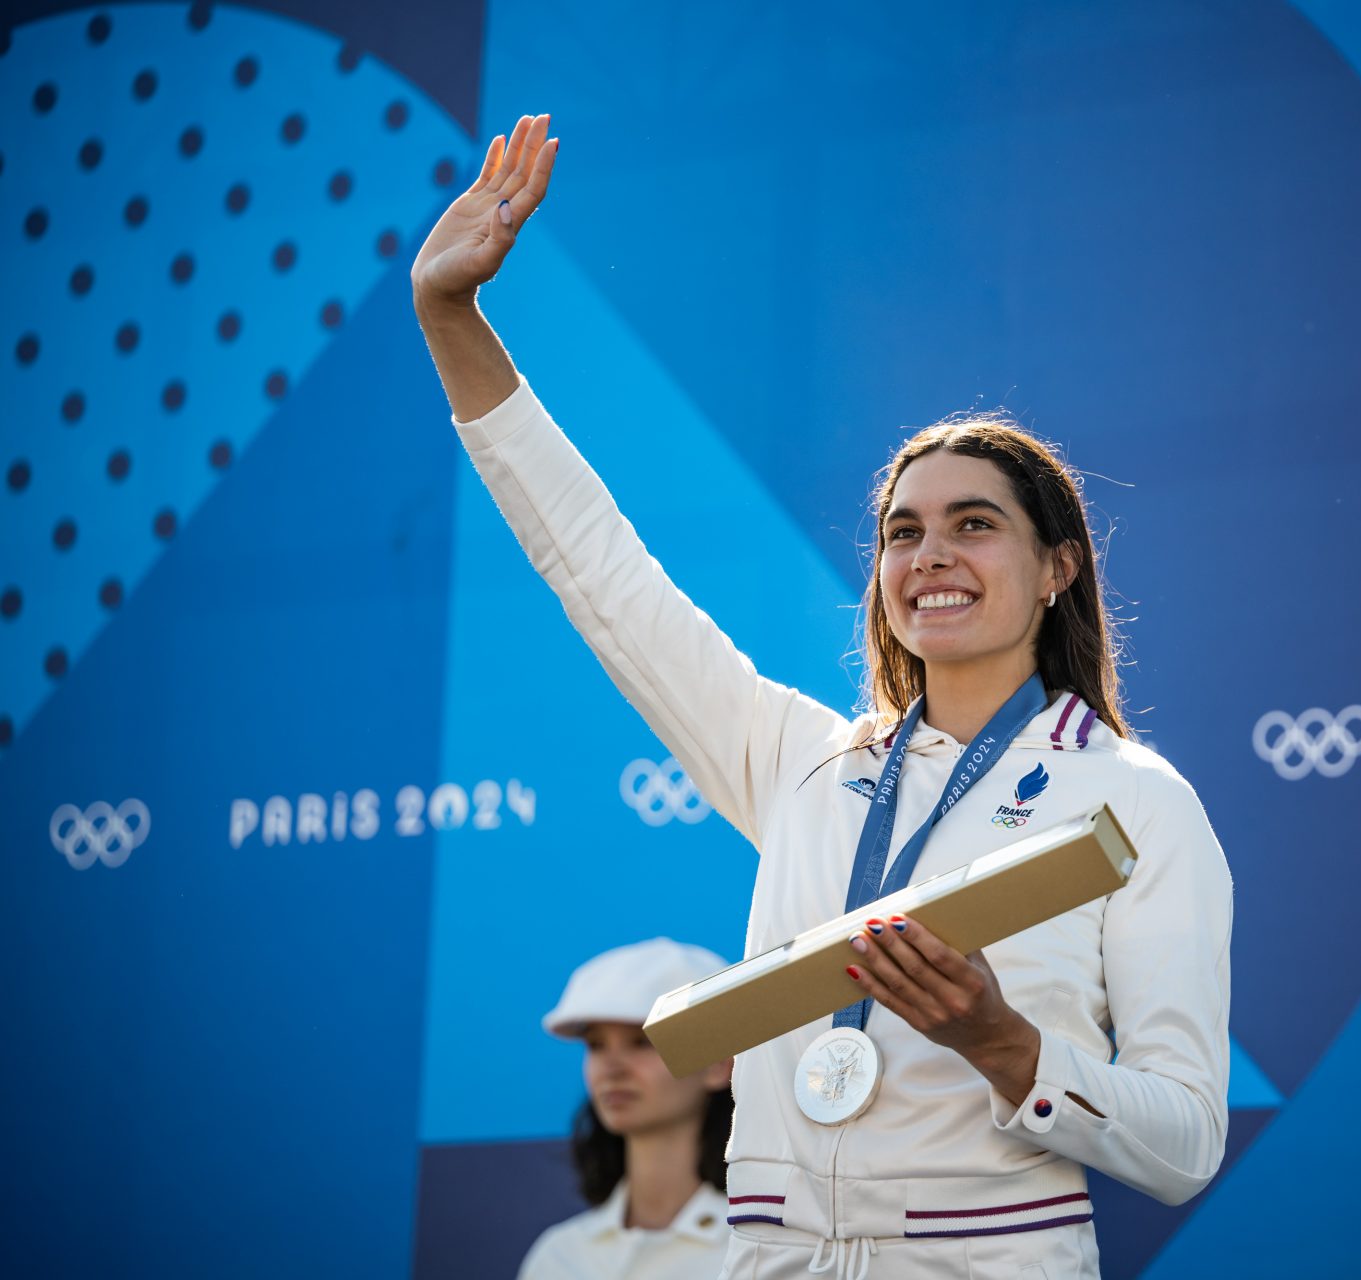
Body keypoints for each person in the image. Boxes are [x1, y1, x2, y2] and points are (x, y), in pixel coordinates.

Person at [414, 113, 1233, 1280]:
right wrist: (452, 320)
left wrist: (1003, 1044)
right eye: (904, 531)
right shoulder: (802, 759)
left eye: (974, 524)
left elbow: (1187, 1140)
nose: (930, 554)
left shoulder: (1136, 801)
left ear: (1059, 568)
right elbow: (595, 566)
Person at [519, 939, 736, 1280]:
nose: (612, 1067)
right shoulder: (559, 1256)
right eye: (596, 1045)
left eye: (642, 1041)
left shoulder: (756, 1250)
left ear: (719, 1065)